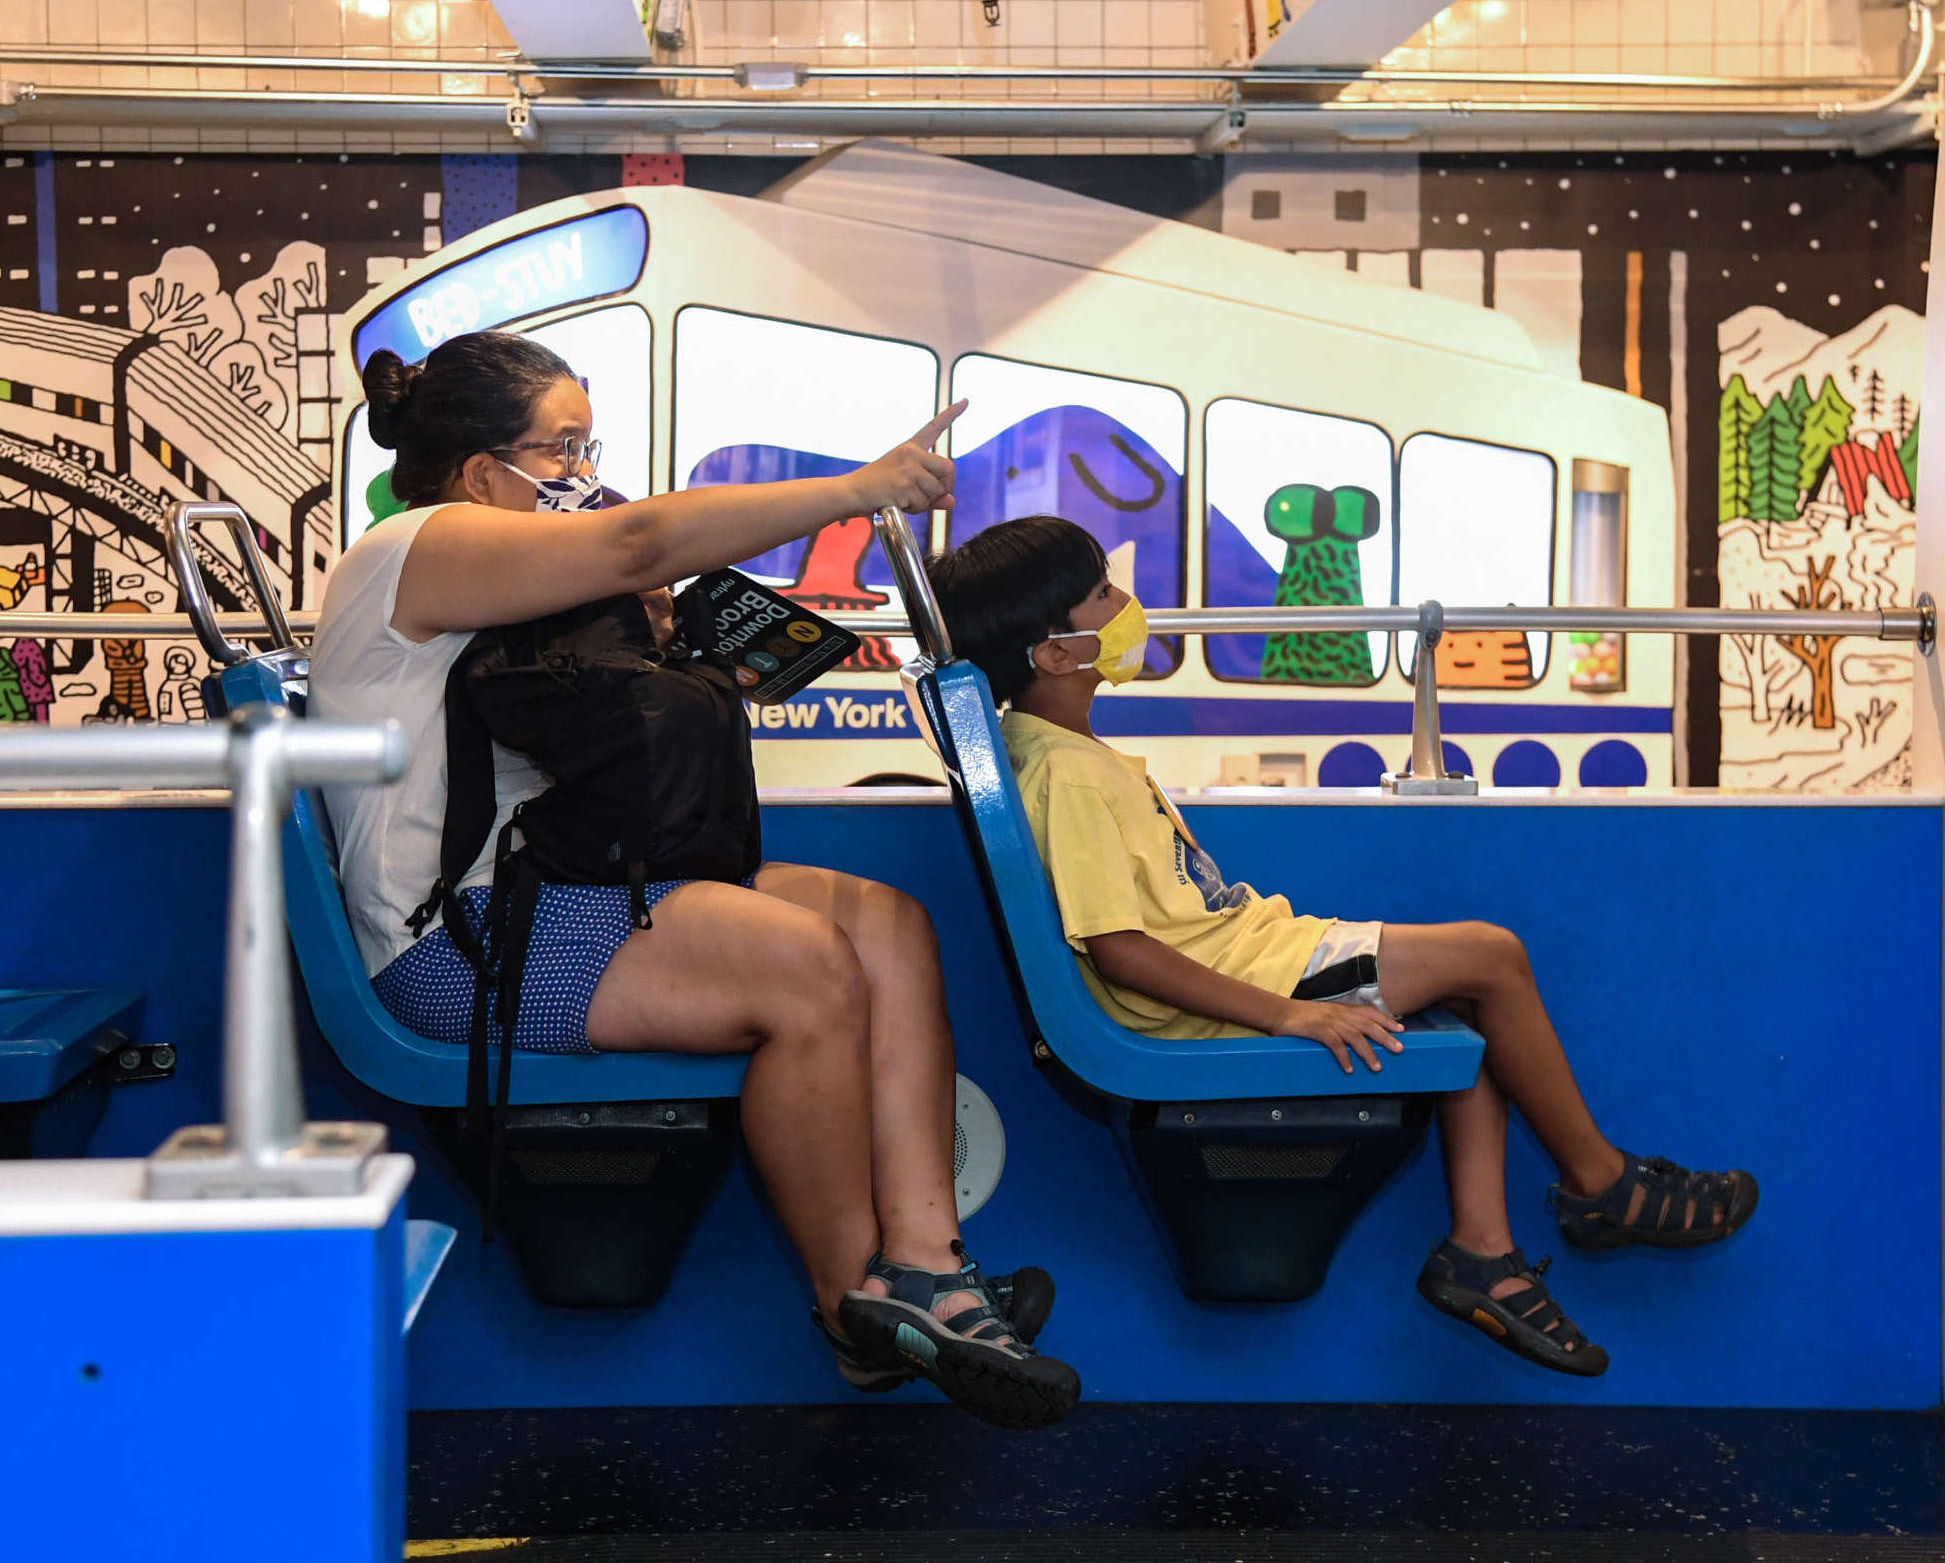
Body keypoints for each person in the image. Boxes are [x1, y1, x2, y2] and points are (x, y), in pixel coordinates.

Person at [310, 331, 1079, 1429]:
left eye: (589, 446)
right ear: (484, 473)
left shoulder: (517, 575)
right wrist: (860, 489)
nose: (583, 472)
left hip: (547, 887)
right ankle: (853, 1303)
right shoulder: (416, 546)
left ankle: (928, 1264)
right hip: (448, 944)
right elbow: (633, 540)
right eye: (561, 449)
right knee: (805, 968)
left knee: (883, 924)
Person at [927, 515, 1759, 1377]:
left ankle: (1485, 1252)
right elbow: (1119, 950)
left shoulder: (1065, 752)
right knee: (1491, 955)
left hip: (1255, 953)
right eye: (1099, 593)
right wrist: (1288, 1015)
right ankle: (1600, 1185)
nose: (1125, 601)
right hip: (1250, 980)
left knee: (1470, 1000)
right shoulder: (1065, 774)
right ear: (1058, 653)